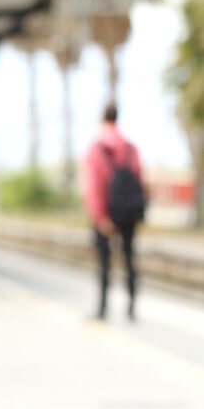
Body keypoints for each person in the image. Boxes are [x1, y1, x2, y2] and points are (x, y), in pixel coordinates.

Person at [83, 102, 146, 320]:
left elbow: (94, 186)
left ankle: (102, 307)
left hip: (107, 211)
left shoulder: (96, 148)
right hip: (129, 211)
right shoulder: (130, 147)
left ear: (102, 119)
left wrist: (100, 217)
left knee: (104, 260)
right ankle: (131, 307)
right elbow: (139, 178)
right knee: (129, 257)